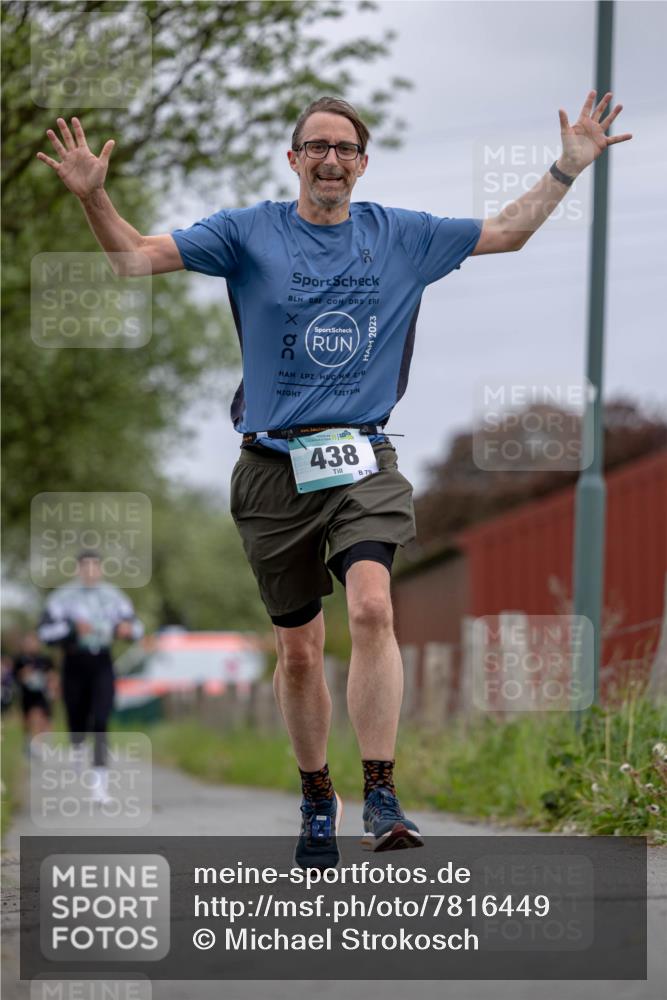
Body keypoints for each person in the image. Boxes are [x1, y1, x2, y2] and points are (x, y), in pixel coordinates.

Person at [37, 91, 630, 864]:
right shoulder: (247, 231)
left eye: (344, 148)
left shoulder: (401, 235)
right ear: (293, 159)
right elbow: (133, 257)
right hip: (270, 468)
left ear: (361, 163)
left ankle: (381, 791)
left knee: (374, 609)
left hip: (362, 457)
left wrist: (567, 166)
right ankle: (317, 792)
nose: (330, 159)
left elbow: (507, 232)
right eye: (315, 146)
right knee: (299, 651)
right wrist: (94, 197)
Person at [38, 550, 144, 803]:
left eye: (95, 566)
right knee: (76, 716)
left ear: (101, 569)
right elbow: (44, 632)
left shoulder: (114, 597)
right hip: (74, 661)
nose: (90, 571)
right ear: (78, 569)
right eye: (85, 566)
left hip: (102, 662)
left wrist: (126, 630)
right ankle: (77, 746)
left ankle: (99, 784)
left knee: (100, 719)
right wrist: (72, 629)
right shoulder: (62, 597)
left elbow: (136, 628)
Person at [12, 632, 58, 750]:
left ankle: (43, 744)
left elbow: (53, 676)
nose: (31, 645)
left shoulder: (45, 660)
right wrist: (24, 673)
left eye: (33, 642)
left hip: (42, 695)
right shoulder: (19, 661)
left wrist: (53, 688)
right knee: (30, 720)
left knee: (42, 718)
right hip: (27, 696)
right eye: (28, 643)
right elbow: (15, 677)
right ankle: (32, 743)